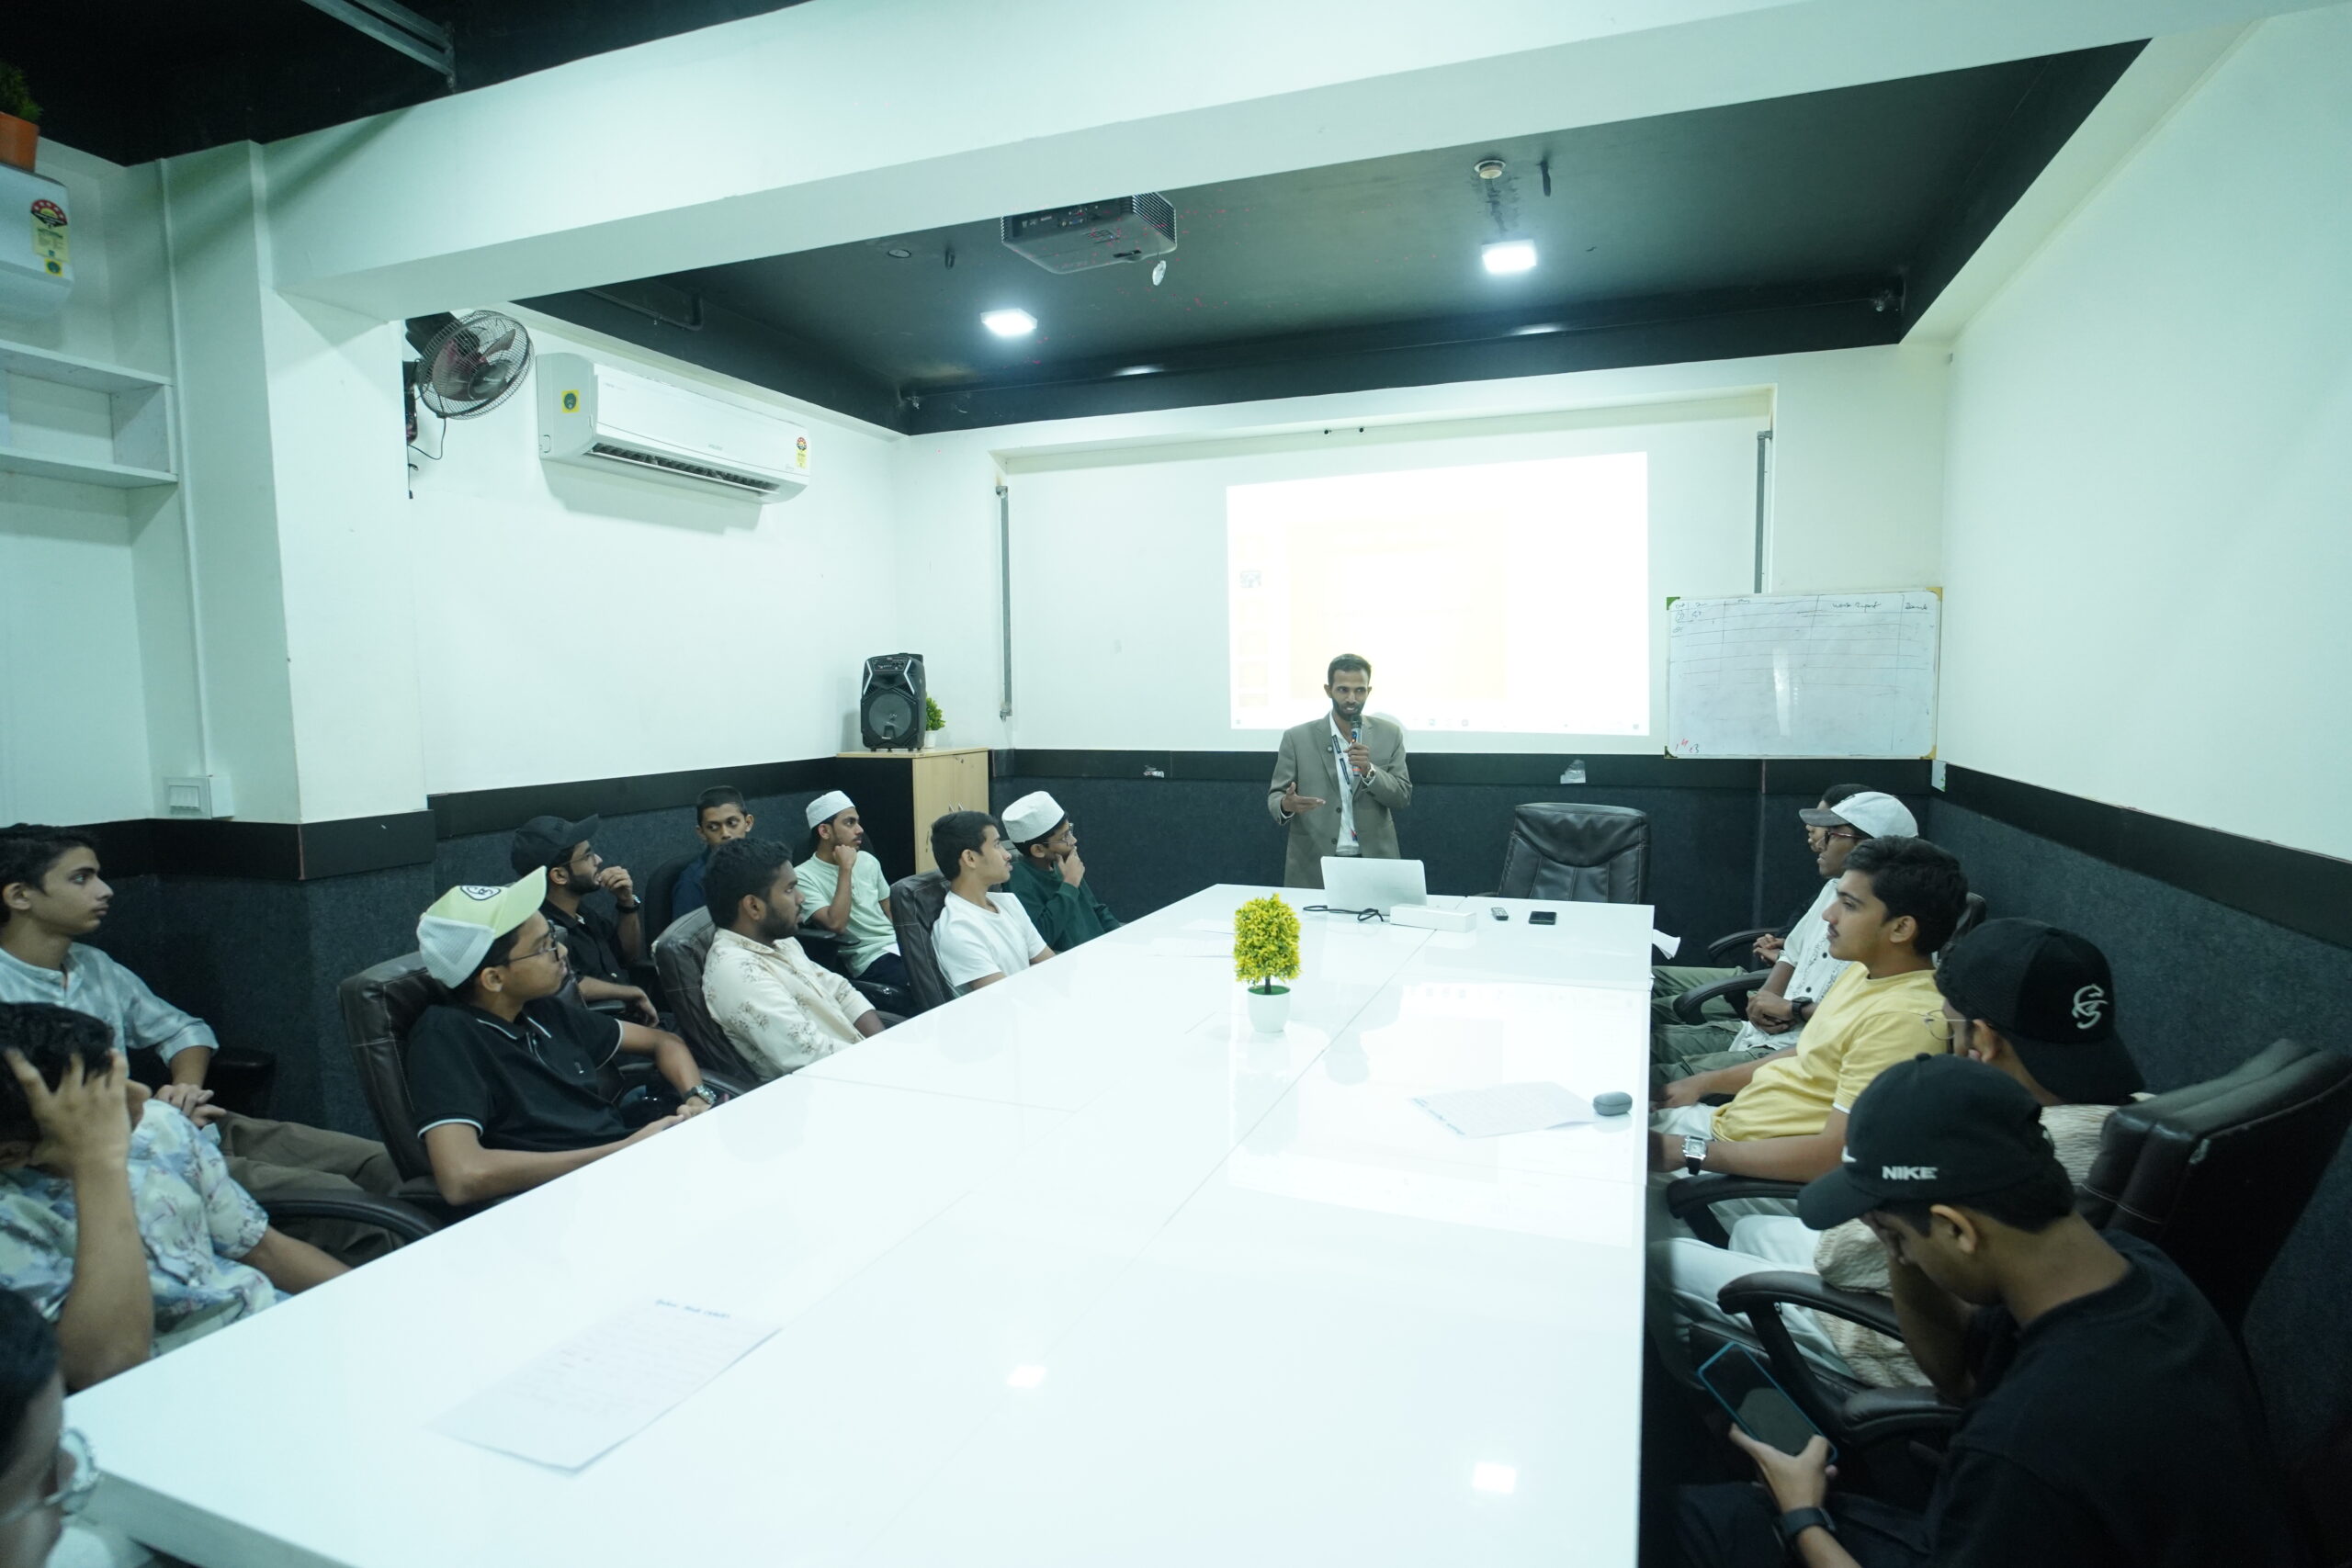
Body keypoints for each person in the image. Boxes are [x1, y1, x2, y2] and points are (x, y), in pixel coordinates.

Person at [1675, 1054, 2311, 1568]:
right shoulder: (2135, 1267)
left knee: (1695, 1526)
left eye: (1895, 1237)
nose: (1896, 1253)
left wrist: (1801, 1514)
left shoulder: (2025, 1441)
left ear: (1958, 1230)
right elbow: (1956, 1376)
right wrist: (1898, 1229)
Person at [1657, 919, 2147, 1386]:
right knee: (1751, 1231)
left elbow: (1844, 1257)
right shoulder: (2142, 1117)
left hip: (1899, 1336)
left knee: (1661, 1261)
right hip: (1974, 1308)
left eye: (1952, 1027)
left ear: (1983, 1039)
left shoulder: (1997, 1145)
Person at [0, 825, 403, 1258]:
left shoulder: (93, 966)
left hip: (184, 1122)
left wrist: (184, 1090)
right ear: (20, 895)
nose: (105, 891)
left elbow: (183, 1030)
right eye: (81, 878)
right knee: (344, 1202)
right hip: (119, 1152)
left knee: (387, 1162)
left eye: (98, 875)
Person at [0, 1003, 347, 1390]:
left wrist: (375, 1305)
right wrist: (97, 1165)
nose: (141, 1094)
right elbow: (106, 1365)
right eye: (105, 1098)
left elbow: (264, 1249)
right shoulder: (12, 1216)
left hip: (267, 1332)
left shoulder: (158, 1126)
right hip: (172, 1386)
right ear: (11, 1154)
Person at [1649, 836, 1967, 1185]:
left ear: (1902, 928)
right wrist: (1700, 1083)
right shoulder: (1865, 971)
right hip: (1727, 1131)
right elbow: (1807, 1052)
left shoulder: (1904, 1022)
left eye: (1849, 905)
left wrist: (1686, 1151)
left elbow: (1834, 1156)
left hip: (1753, 1170)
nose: (1828, 915)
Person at [406, 871, 714, 1206]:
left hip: (622, 1172)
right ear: (493, 978)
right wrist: (621, 1150)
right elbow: (462, 1176)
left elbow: (663, 1042)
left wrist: (696, 1097)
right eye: (544, 947)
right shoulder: (445, 1036)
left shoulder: (540, 1009)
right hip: (561, 1202)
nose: (563, 951)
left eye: (553, 937)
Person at [1652, 788, 1916, 1087]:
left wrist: (1793, 1008)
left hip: (1796, 1055)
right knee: (1639, 1039)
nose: (1820, 843)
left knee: (1652, 1078)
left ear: (1868, 846)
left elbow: (1862, 1023)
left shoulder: (1886, 931)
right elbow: (1794, 952)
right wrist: (1765, 999)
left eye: (1831, 835)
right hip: (1761, 1035)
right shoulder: (1834, 888)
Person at [701, 839, 884, 1079]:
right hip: (826, 1086)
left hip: (862, 1064)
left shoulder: (777, 939)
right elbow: (809, 1054)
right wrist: (883, 1061)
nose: (801, 898)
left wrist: (882, 1045)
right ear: (754, 906)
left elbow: (840, 990)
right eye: (789, 890)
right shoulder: (736, 972)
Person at [1267, 654, 1412, 888]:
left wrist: (1369, 771)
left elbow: (1402, 796)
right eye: (1343, 690)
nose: (1352, 698)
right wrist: (1286, 804)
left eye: (1359, 690)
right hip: (1315, 863)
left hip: (1374, 860)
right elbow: (1275, 797)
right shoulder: (1297, 738)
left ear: (1369, 691)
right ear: (1328, 690)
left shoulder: (1389, 734)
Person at [509, 814, 658, 1023]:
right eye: (587, 856)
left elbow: (628, 957)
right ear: (560, 875)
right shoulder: (542, 929)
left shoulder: (582, 913)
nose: (598, 860)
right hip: (602, 1026)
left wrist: (626, 903)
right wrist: (629, 992)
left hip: (633, 1016)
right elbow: (567, 984)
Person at [796, 792, 910, 991]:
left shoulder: (867, 860)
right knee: (923, 981)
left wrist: (913, 944)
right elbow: (836, 924)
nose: (860, 830)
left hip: (897, 946)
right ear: (824, 831)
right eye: (849, 823)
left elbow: (890, 910)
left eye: (857, 822)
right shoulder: (803, 876)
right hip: (868, 957)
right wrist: (845, 869)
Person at [929, 812, 1052, 996]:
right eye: (996, 845)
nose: (1007, 855)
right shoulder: (957, 929)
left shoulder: (1008, 902)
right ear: (970, 858)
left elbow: (1051, 964)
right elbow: (1003, 999)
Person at [1001, 791, 1122, 952]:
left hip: (1103, 951)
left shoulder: (1063, 863)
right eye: (1064, 837)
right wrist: (1070, 884)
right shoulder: (1018, 877)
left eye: (1070, 831)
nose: (1073, 840)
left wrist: (1123, 938)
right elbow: (1042, 937)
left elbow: (1097, 911)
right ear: (1038, 850)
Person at [667, 786, 755, 937]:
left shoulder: (764, 864)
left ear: (748, 823)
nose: (725, 834)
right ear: (701, 832)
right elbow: (685, 941)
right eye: (713, 827)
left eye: (732, 823)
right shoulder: (693, 882)